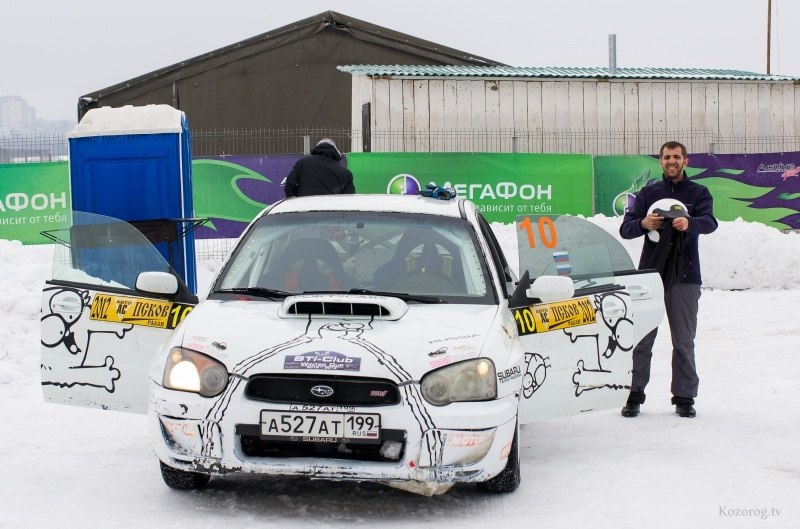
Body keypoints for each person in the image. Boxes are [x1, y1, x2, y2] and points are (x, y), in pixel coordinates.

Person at [619, 141, 718, 418]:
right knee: (642, 339)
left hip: (686, 276)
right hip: (650, 276)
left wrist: (691, 223)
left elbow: (710, 222)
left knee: (684, 340)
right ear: (660, 161)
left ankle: (684, 397)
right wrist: (643, 224)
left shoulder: (699, 193)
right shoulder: (648, 193)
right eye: (666, 157)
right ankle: (634, 394)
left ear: (685, 161)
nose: (671, 161)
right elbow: (625, 229)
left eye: (676, 157)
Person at [283, 138, 355, 198]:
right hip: (331, 212)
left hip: (304, 210)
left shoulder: (302, 163)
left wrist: (296, 204)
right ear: (336, 153)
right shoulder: (345, 173)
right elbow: (349, 199)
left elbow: (289, 186)